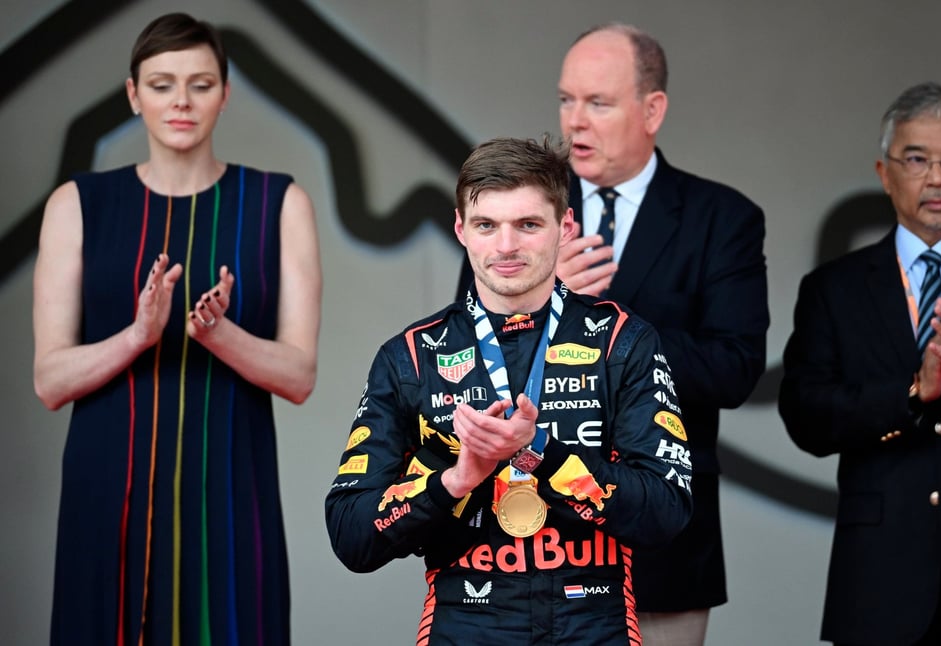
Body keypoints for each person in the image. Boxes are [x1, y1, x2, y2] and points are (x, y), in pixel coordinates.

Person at [326, 136, 693, 645]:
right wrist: (455, 479)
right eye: (486, 225)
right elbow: (351, 536)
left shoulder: (622, 342)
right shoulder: (411, 355)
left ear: (564, 228)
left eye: (527, 224)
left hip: (594, 629)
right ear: (461, 230)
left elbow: (667, 511)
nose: (505, 246)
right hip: (465, 628)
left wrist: (538, 454)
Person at [33, 13, 322, 645]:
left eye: (199, 83)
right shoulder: (78, 205)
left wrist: (221, 335)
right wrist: (137, 335)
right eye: (162, 84)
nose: (181, 101)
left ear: (224, 93)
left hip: (229, 490)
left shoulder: (278, 202)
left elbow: (299, 376)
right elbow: (50, 381)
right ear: (133, 95)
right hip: (106, 494)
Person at [779, 82, 941, 646]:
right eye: (916, 159)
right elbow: (806, 417)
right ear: (885, 173)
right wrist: (910, 394)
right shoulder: (832, 289)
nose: (936, 178)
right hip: (879, 582)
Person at [555, 22, 768, 645]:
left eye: (598, 102)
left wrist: (603, 324)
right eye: (566, 99)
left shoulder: (721, 218)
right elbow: (465, 360)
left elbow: (733, 368)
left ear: (653, 110)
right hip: (529, 538)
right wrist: (544, 304)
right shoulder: (521, 211)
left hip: (661, 535)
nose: (575, 122)